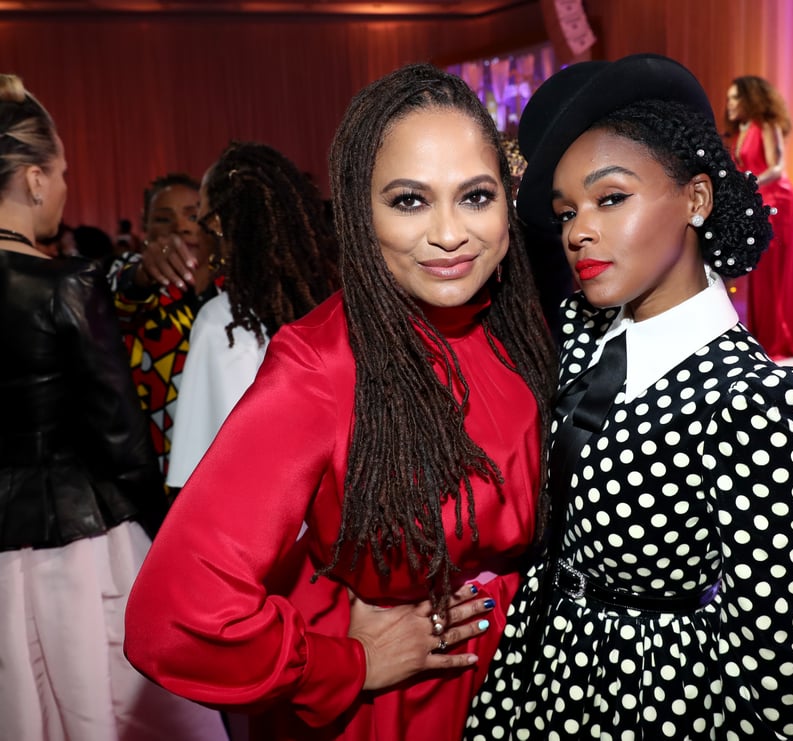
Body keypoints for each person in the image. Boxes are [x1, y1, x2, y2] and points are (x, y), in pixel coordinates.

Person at [124, 63, 558, 740]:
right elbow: (172, 614)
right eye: (409, 201)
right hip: (412, 706)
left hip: (534, 682)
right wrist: (338, 660)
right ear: (360, 212)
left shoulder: (522, 328)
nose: (450, 233)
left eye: (475, 196)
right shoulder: (322, 362)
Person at [463, 54, 793, 740]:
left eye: (611, 199)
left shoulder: (755, 407)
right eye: (566, 211)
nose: (580, 230)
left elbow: (779, 658)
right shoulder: (584, 332)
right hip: (544, 667)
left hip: (657, 698)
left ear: (696, 198)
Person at [0, 73, 227, 741]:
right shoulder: (65, 285)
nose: (66, 186)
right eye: (63, 170)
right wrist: (166, 537)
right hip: (79, 546)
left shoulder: (78, 280)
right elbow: (119, 435)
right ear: (36, 179)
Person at [166, 140, 342, 488]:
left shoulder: (222, 321)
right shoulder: (332, 305)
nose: (193, 223)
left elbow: (201, 469)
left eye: (197, 209)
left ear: (216, 221)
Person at [107, 172, 221, 479]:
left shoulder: (236, 287)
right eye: (162, 218)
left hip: (229, 459)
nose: (181, 227)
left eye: (193, 215)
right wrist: (142, 274)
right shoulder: (132, 277)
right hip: (156, 470)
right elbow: (122, 294)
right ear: (145, 230)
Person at [725, 74, 793, 359]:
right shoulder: (741, 129)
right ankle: (759, 336)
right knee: (757, 271)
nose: (729, 104)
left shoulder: (766, 125)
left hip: (776, 200)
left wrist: (749, 184)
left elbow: (777, 167)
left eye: (735, 97)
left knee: (769, 269)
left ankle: (774, 340)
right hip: (757, 200)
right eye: (729, 98)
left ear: (750, 98)